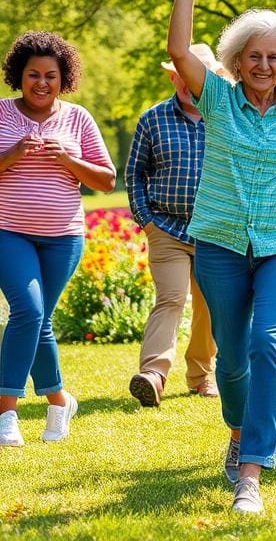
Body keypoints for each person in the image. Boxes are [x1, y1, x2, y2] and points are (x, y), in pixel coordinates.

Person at [167, 0, 276, 514]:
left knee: (266, 341)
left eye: (273, 57)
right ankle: (237, 431)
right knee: (231, 359)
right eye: (254, 55)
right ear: (237, 60)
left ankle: (252, 470)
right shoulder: (217, 97)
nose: (263, 64)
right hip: (221, 243)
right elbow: (180, 51)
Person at [0, 31, 116, 447]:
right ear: (19, 75)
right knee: (28, 312)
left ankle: (59, 401)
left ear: (63, 78)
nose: (42, 83)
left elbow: (106, 180)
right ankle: (7, 413)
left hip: (63, 238)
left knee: (40, 321)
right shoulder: (1, 113)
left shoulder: (78, 118)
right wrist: (13, 154)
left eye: (51, 75)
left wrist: (67, 159)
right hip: (8, 231)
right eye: (33, 74)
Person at [125, 44, 224, 407]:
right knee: (170, 298)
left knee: (210, 305)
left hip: (214, 230)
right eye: (181, 73)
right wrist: (147, 221)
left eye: (195, 73)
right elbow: (134, 174)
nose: (187, 81)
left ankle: (201, 375)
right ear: (172, 77)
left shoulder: (224, 117)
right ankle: (153, 374)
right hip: (166, 228)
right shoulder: (152, 119)